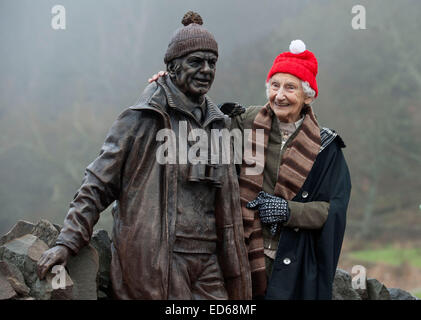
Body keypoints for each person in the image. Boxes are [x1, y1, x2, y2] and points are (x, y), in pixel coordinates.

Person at [36, 11, 251, 300]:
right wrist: (67, 241)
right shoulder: (142, 119)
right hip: (160, 260)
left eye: (212, 62)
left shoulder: (219, 123)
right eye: (196, 62)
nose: (206, 70)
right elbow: (98, 184)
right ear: (173, 68)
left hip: (208, 261)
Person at [229, 40, 351, 299]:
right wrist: (165, 84)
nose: (280, 95)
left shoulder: (326, 148)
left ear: (308, 96)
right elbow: (195, 126)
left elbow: (333, 211)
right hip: (240, 258)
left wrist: (288, 211)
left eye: (290, 87)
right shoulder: (244, 122)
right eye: (275, 85)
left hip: (292, 264)